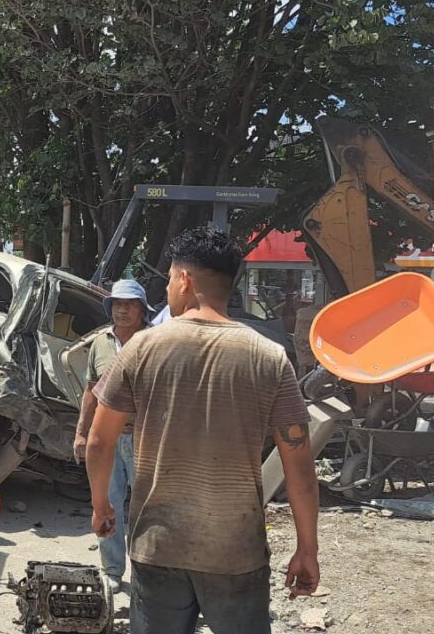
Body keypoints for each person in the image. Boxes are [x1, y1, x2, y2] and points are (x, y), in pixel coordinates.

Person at [86, 226, 319, 634]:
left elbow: (99, 441)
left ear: (185, 280)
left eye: (172, 279)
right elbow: (298, 465)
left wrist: (101, 506)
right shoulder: (269, 358)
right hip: (235, 553)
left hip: (158, 547)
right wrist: (306, 548)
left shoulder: (141, 348)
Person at [72, 279, 153, 595]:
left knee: (147, 511)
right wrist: (81, 433)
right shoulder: (100, 344)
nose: (122, 309)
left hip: (144, 440)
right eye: (117, 304)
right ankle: (112, 571)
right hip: (106, 441)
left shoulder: (152, 341)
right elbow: (90, 392)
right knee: (106, 504)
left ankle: (148, 574)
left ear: (142, 310)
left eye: (130, 304)